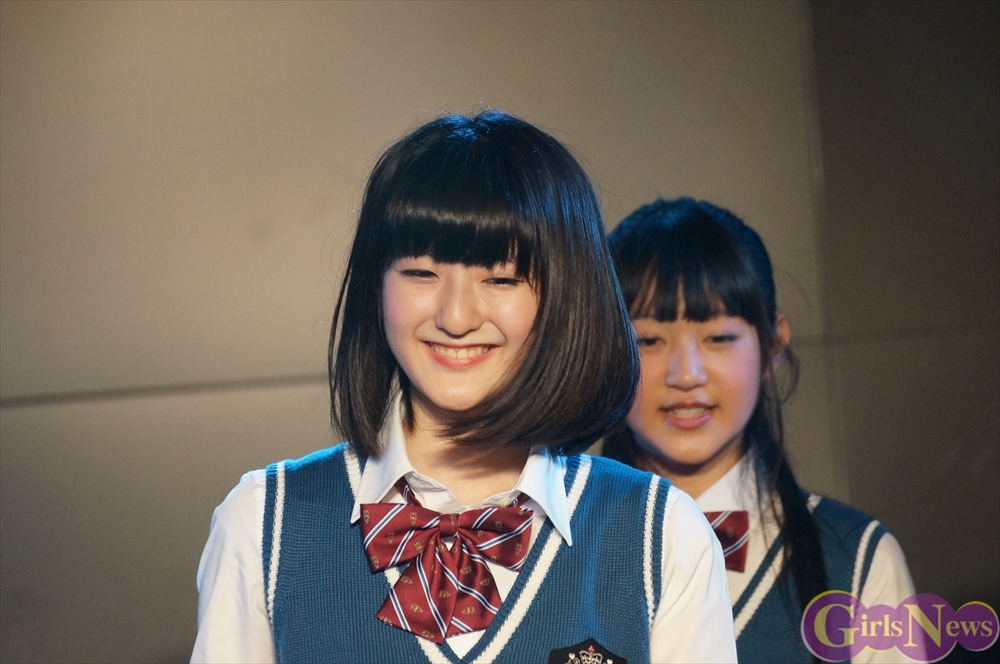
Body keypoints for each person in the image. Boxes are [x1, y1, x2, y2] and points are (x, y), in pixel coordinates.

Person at [191, 113, 736, 663]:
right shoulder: (263, 526)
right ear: (376, 285)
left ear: (565, 296)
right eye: (421, 273)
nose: (456, 317)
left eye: (500, 278)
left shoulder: (661, 537)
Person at [605, 197, 915, 663]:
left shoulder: (858, 559)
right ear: (604, 350)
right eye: (647, 340)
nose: (686, 375)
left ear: (773, 344)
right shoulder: (531, 546)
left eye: (719, 338)